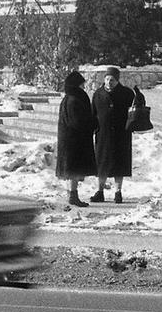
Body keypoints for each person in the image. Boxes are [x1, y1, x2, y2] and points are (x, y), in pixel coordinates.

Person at [90, 65, 134, 204]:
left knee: (119, 165)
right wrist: (93, 129)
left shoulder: (127, 93)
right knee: (101, 164)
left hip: (121, 134)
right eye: (107, 79)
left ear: (117, 81)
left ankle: (118, 192)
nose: (109, 82)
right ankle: (100, 191)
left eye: (112, 80)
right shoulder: (98, 94)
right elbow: (93, 113)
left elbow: (134, 111)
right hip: (103, 135)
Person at [55, 70, 97, 207]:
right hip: (74, 141)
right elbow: (78, 122)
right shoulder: (74, 100)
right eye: (81, 85)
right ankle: (73, 195)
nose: (83, 87)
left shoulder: (69, 98)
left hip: (70, 140)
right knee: (74, 170)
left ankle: (71, 194)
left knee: (72, 170)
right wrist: (94, 123)